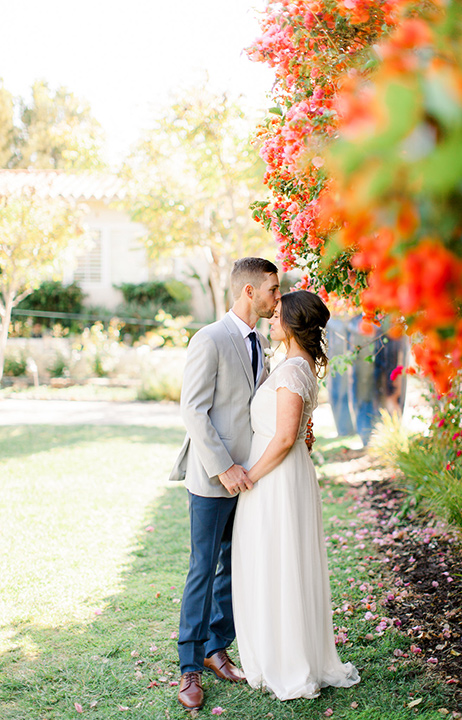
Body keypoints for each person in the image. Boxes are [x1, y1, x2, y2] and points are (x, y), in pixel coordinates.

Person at [232, 290, 360, 700]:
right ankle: (286, 651)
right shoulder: (293, 365)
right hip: (283, 472)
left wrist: (250, 475)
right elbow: (298, 429)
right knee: (279, 559)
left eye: (277, 316)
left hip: (275, 477)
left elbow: (286, 436)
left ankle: (288, 661)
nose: (271, 318)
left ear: (293, 324)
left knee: (278, 561)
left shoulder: (291, 371)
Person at [169, 257, 281, 711]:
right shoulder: (209, 339)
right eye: (273, 289)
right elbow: (193, 410)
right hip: (215, 478)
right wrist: (222, 468)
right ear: (249, 291)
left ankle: (218, 647)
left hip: (252, 478)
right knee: (203, 568)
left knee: (235, 567)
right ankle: (189, 668)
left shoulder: (263, 344)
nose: (279, 296)